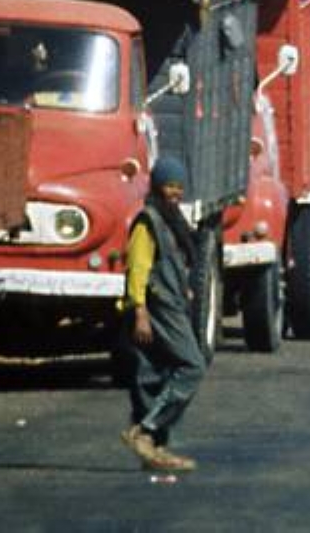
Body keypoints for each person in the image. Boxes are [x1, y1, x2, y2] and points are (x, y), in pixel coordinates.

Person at [120, 157, 208, 473]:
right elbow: (138, 269)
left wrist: (184, 289)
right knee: (192, 366)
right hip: (157, 307)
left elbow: (171, 263)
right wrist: (140, 312)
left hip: (172, 303)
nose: (175, 193)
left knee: (158, 372)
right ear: (157, 186)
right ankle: (144, 430)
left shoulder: (171, 220)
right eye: (170, 186)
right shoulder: (148, 221)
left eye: (179, 187)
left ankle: (156, 448)